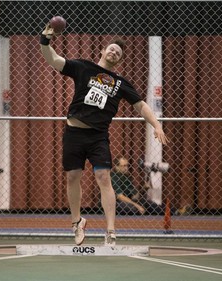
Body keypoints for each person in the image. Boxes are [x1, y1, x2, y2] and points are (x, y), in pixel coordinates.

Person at [39, 24, 169, 247]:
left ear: (119, 60)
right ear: (102, 51)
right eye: (111, 49)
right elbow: (54, 60)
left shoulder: (120, 83)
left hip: (98, 136)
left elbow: (141, 106)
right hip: (74, 133)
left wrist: (156, 124)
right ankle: (76, 223)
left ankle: (110, 231)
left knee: (104, 178)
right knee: (72, 177)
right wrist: (45, 40)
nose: (114, 52)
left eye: (118, 53)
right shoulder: (83, 67)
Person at [111, 156, 191, 216]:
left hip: (129, 201)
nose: (126, 168)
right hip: (116, 203)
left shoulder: (127, 177)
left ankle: (176, 211)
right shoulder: (113, 176)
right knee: (134, 208)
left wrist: (144, 189)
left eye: (127, 165)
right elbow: (120, 196)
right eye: (123, 166)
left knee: (148, 203)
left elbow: (134, 197)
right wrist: (137, 206)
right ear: (116, 166)